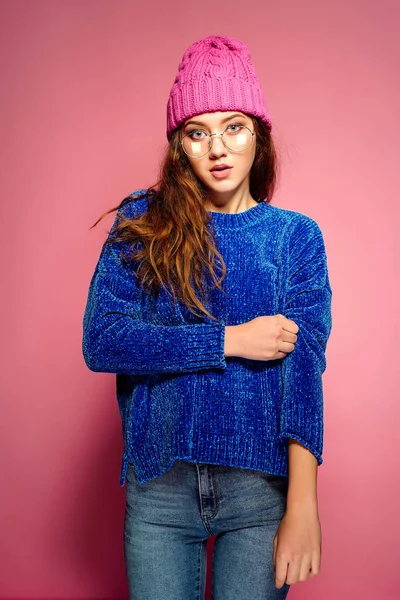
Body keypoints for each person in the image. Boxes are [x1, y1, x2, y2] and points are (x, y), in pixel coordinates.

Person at [82, 34, 332, 600]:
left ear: (258, 136)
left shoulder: (295, 237)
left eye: (234, 126)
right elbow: (103, 339)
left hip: (259, 493)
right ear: (180, 147)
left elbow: (304, 370)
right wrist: (228, 340)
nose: (218, 147)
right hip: (160, 490)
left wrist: (304, 504)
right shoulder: (143, 221)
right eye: (199, 132)